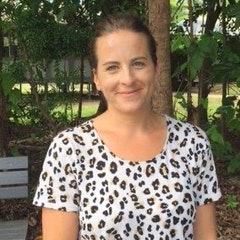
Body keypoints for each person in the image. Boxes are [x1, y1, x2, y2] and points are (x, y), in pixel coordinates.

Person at [33, 12, 222, 240]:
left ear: (156, 68)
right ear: (97, 78)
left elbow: (206, 236)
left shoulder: (193, 143)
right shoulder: (68, 150)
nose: (128, 78)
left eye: (138, 63)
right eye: (112, 67)